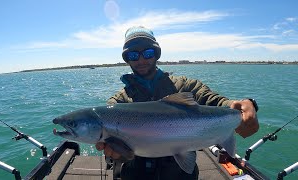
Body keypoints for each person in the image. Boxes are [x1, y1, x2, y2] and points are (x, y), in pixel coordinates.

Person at [96, 26, 259, 180]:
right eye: (133, 55)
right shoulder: (118, 103)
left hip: (181, 175)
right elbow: (114, 150)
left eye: (148, 52)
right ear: (127, 59)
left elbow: (214, 101)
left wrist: (244, 107)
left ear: (156, 54)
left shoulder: (186, 86)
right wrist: (117, 154)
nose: (141, 60)